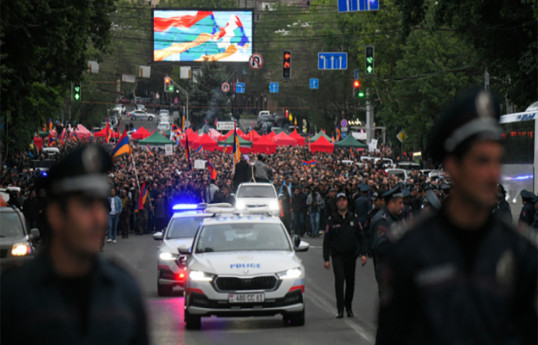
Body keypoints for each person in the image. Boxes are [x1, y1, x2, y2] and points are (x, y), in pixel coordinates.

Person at [376, 88, 537, 344]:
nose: (493, 174)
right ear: (453, 167)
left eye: (497, 161)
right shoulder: (410, 251)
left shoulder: (520, 252)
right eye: (481, 161)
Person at [0, 144, 149, 345]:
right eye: (86, 205)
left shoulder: (123, 291)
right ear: (55, 214)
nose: (99, 219)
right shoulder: (15, 297)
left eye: (101, 205)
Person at [323, 192, 367, 319]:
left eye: (344, 200)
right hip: (337, 255)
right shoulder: (332, 220)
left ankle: (348, 306)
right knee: (339, 280)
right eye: (339, 200)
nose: (342, 202)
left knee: (350, 282)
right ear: (336, 203)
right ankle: (340, 308)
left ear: (347, 202)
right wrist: (326, 259)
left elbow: (361, 237)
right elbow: (327, 241)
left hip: (350, 255)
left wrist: (363, 254)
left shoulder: (353, 218)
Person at [370, 186, 404, 296]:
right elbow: (381, 245)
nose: (402, 206)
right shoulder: (382, 220)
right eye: (400, 203)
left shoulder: (396, 217)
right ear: (391, 204)